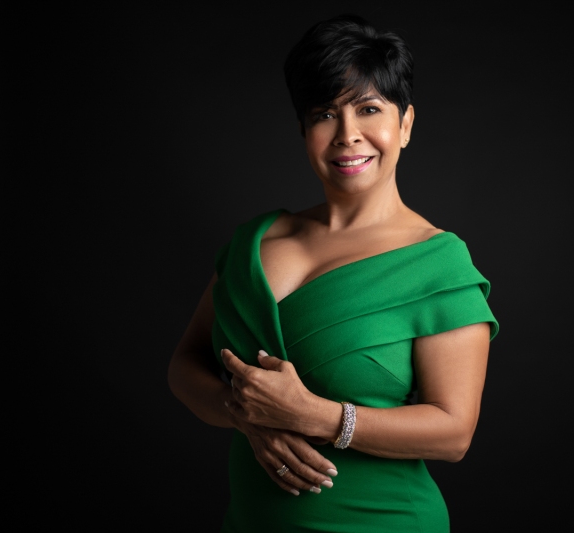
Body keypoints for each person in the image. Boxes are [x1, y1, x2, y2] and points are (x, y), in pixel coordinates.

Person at [168, 14, 499, 532]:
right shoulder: (255, 242)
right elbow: (185, 366)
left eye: (369, 109)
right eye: (325, 113)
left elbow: (454, 434)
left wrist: (316, 417)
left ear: (405, 124)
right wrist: (247, 417)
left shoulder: (438, 262)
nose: (348, 135)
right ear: (303, 129)